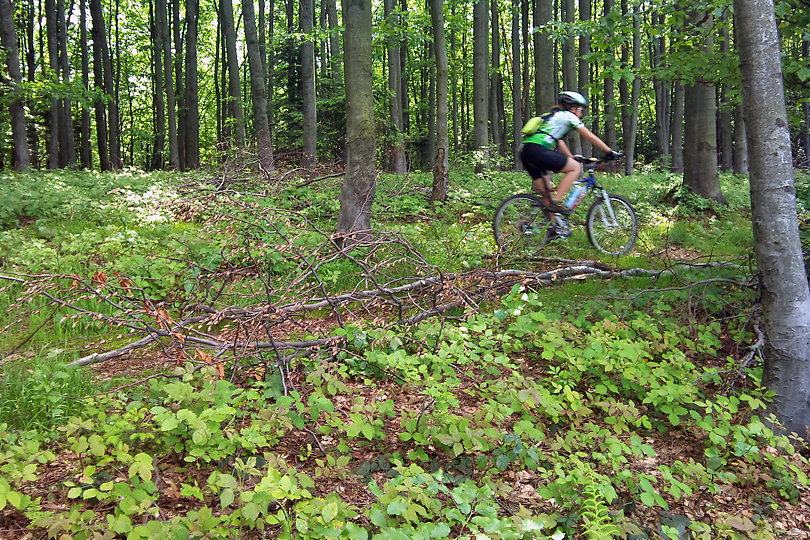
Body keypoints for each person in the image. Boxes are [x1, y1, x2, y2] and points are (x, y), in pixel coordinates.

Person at [520, 91, 620, 213]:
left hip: (526, 152)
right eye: (580, 110)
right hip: (538, 150)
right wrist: (609, 151)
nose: (581, 114)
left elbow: (559, 142)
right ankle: (557, 200)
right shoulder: (569, 116)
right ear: (573, 108)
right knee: (576, 168)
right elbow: (590, 136)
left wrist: (570, 157)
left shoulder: (553, 116)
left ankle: (552, 228)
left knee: (547, 198)